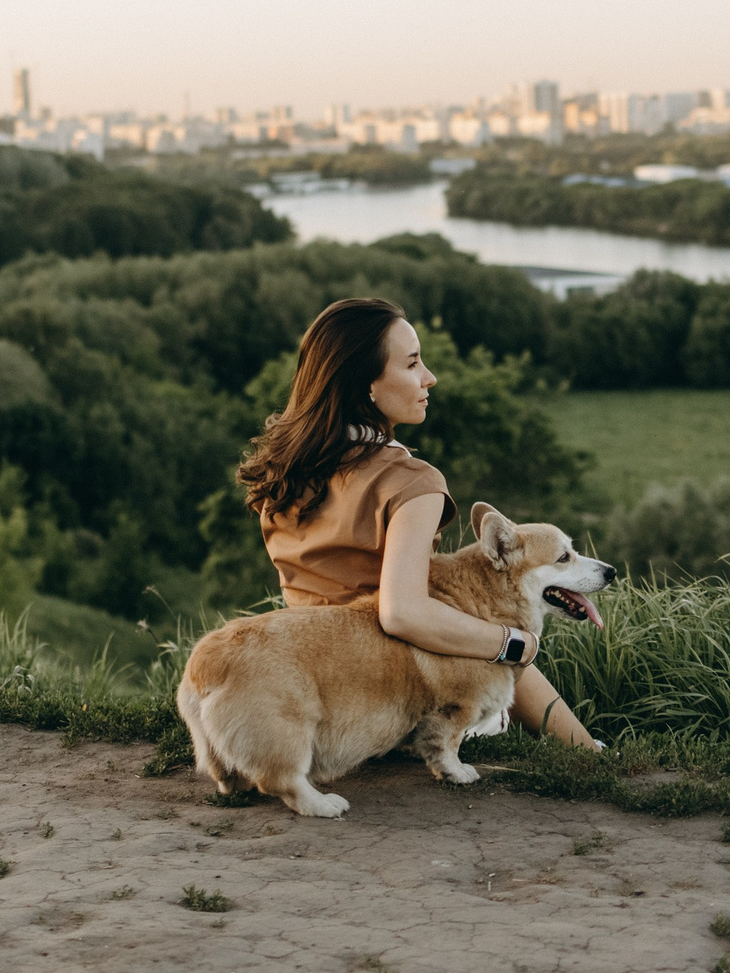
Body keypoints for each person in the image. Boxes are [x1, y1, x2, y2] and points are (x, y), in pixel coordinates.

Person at [235, 296, 601, 749]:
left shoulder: (284, 469)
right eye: (412, 364)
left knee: (486, 635)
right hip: (392, 698)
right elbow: (403, 612)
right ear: (365, 384)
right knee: (498, 643)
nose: (430, 377)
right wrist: (512, 643)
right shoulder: (411, 482)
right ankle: (591, 754)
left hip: (312, 691)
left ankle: (589, 750)